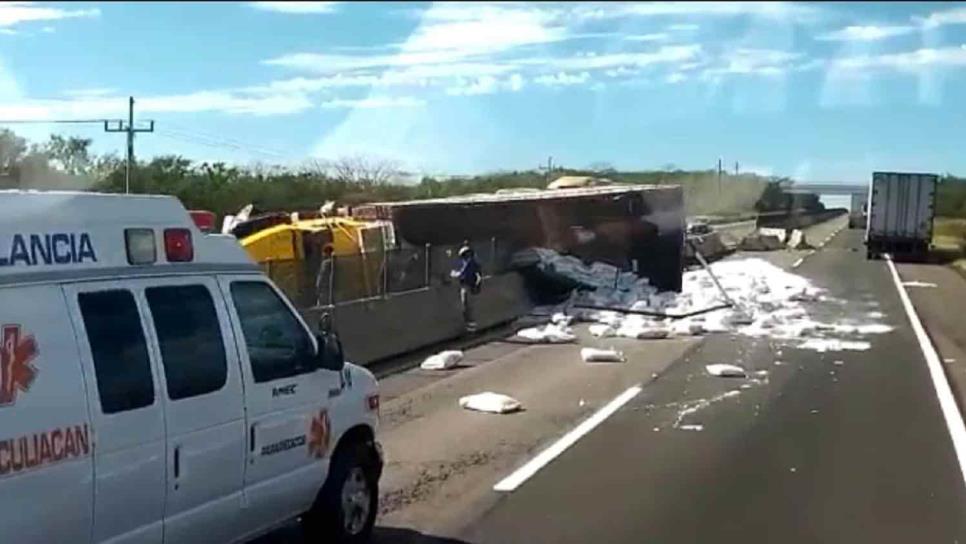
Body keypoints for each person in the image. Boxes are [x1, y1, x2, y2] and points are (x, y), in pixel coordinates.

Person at [451, 243, 483, 332]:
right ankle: (471, 327)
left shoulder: (470, 263)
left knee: (467, 308)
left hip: (467, 287)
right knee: (469, 308)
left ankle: (470, 329)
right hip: (472, 288)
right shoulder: (474, 263)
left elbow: (462, 274)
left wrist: (453, 274)